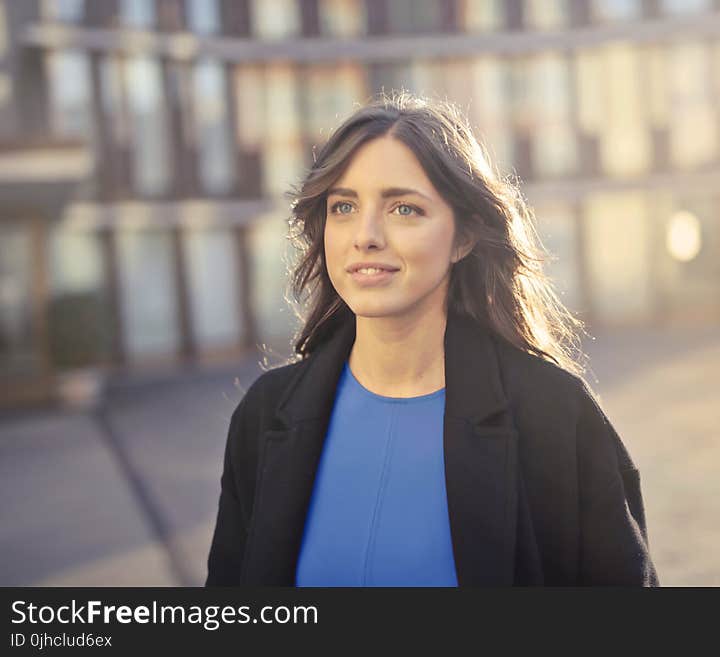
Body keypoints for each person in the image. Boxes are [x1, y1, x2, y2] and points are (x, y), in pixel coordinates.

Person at [205, 92, 659, 587]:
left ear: (463, 237)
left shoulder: (554, 415)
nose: (366, 236)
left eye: (404, 208)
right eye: (344, 206)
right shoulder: (266, 415)